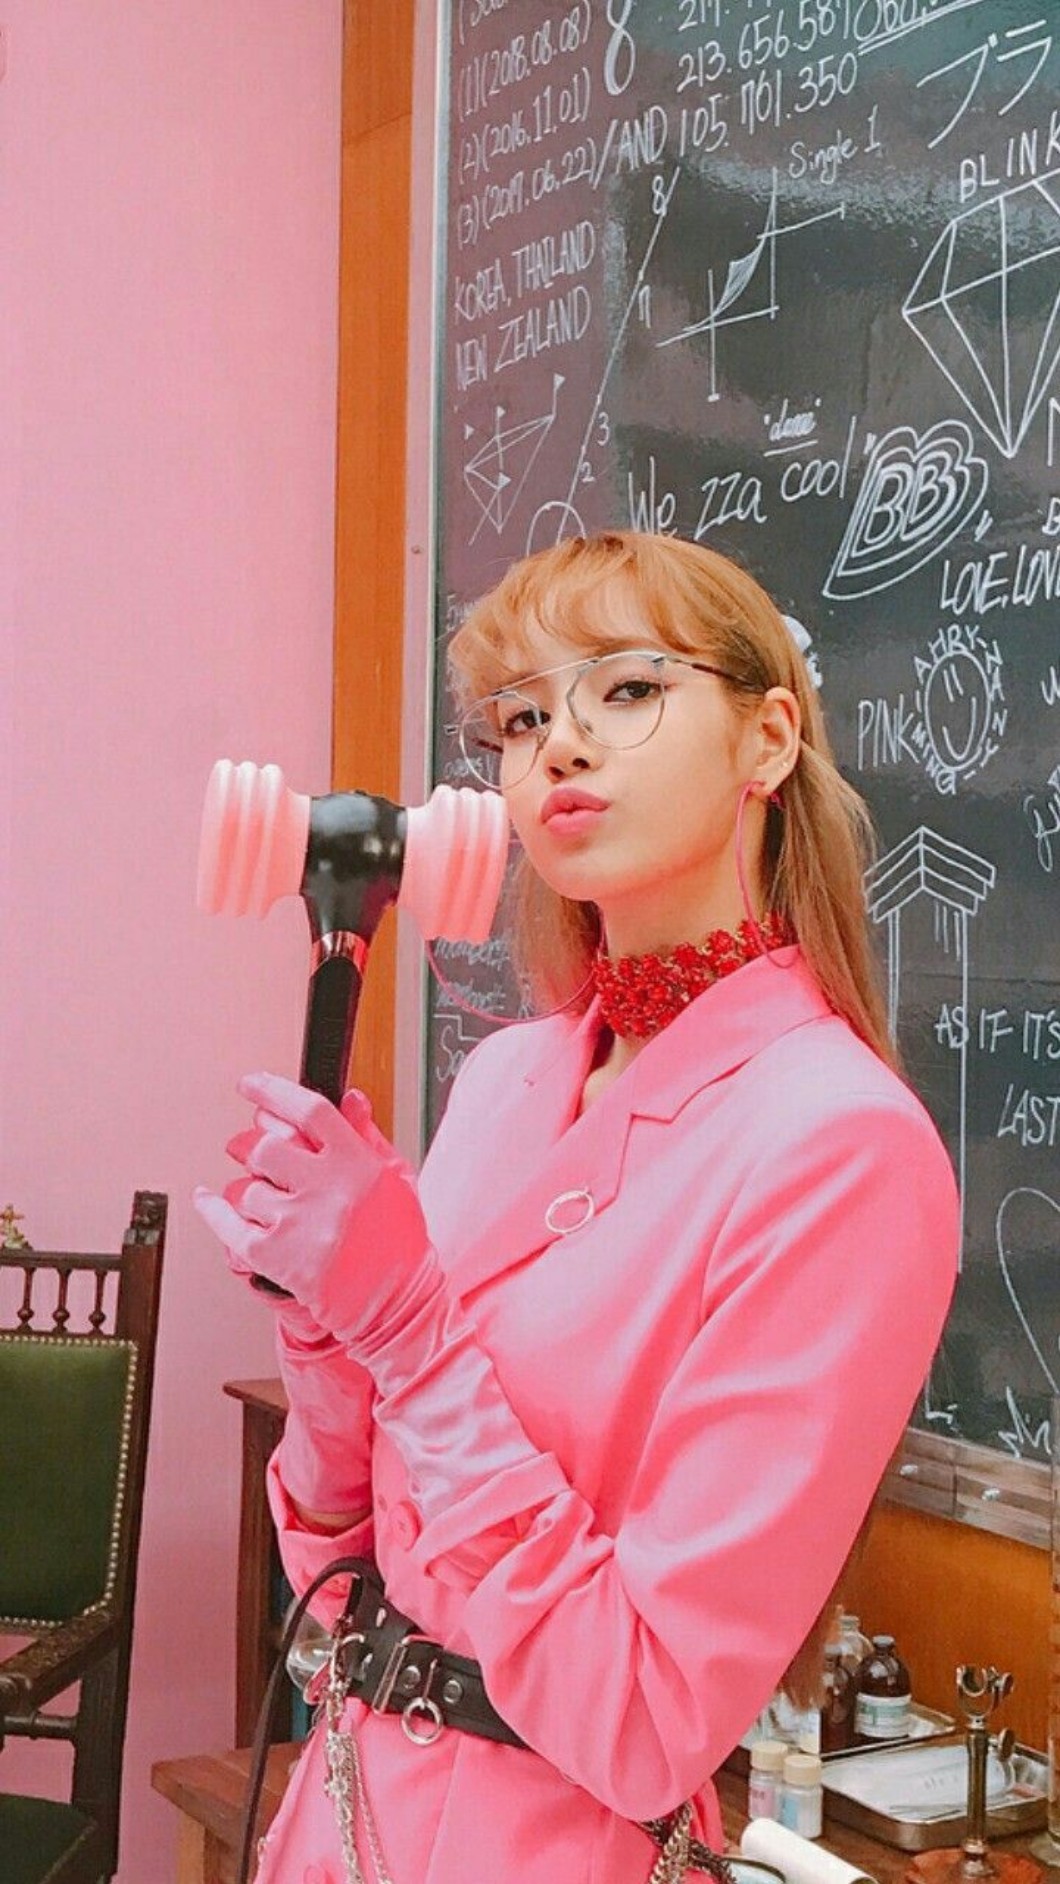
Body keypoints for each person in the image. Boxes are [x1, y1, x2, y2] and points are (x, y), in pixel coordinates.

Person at [195, 531, 959, 1884]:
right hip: (342, 1815)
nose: (559, 747)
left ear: (768, 739)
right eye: (523, 718)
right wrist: (328, 1327)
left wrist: (405, 1326)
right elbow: (337, 1554)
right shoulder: (508, 1079)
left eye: (628, 689)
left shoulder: (844, 1147)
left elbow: (648, 1719)